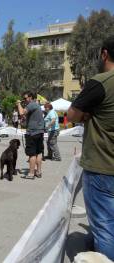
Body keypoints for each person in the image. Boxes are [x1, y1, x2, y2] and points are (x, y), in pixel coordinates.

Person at [67, 36, 114, 260]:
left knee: (104, 227)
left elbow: (72, 114)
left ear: (104, 54)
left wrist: (88, 114)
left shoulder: (101, 82)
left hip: (102, 166)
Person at [17, 91, 45, 179]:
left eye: (25, 98)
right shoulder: (36, 105)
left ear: (30, 97)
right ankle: (39, 172)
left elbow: (21, 112)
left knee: (32, 154)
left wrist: (18, 104)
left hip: (32, 133)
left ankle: (31, 173)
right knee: (39, 153)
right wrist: (25, 119)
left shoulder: (31, 105)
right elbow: (28, 117)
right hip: (39, 132)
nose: (24, 100)